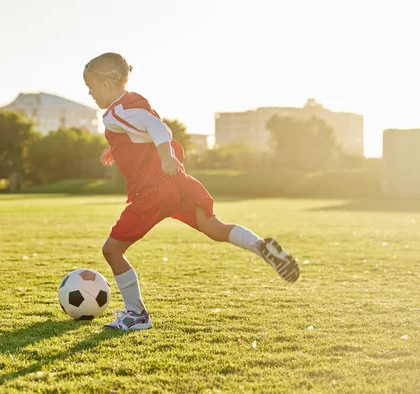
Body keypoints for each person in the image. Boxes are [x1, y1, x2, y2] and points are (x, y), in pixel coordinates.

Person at [83, 52, 299, 331]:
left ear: (106, 85)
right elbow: (150, 130)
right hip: (178, 185)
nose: (89, 93)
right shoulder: (135, 102)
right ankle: (261, 247)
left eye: (90, 87)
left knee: (112, 250)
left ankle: (136, 314)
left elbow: (155, 128)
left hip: (152, 193)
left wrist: (163, 156)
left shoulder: (114, 113)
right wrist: (116, 149)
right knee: (215, 228)